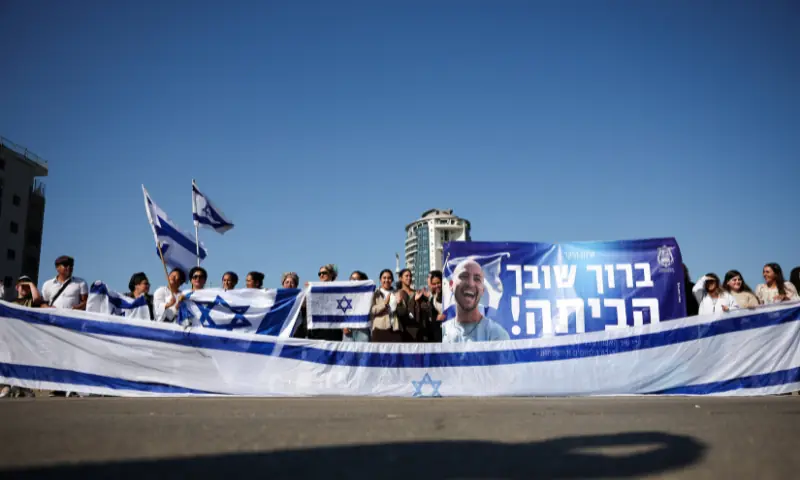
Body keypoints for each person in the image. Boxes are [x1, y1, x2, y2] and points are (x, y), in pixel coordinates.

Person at [442, 259, 510, 343]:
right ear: (451, 285)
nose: (470, 283)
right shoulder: (441, 334)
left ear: (482, 290)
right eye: (464, 276)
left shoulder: (497, 335)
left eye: (477, 279)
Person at [306, 264, 342, 341]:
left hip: (333, 329)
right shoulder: (313, 290)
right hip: (317, 330)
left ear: (331, 274)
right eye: (319, 274)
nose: (321, 275)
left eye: (324, 273)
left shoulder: (339, 289)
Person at [370, 269, 405, 342]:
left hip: (395, 328)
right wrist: (384, 303)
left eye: (389, 278)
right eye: (384, 278)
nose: (387, 280)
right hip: (380, 329)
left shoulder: (397, 292)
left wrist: (400, 303)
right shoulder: (375, 293)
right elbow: (372, 310)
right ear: (380, 280)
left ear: (392, 280)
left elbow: (403, 311)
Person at [415, 270, 445, 342]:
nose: (436, 286)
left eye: (438, 283)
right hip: (436, 333)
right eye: (434, 284)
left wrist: (445, 315)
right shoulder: (431, 297)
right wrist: (417, 302)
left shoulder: (448, 294)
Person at [342, 271, 371, 343]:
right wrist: (343, 326)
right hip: (348, 330)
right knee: (347, 353)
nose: (353, 281)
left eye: (356, 279)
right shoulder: (344, 294)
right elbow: (340, 312)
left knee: (362, 353)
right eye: (351, 279)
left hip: (362, 330)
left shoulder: (368, 294)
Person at [397, 268, 423, 342]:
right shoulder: (397, 293)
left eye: (410, 276)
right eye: (406, 276)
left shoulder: (417, 292)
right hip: (403, 329)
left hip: (417, 329)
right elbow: (400, 312)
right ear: (400, 278)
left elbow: (424, 309)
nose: (409, 278)